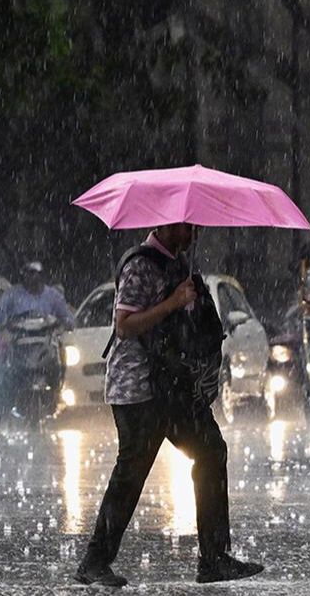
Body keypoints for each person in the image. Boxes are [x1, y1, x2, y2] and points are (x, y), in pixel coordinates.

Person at [74, 223, 264, 586]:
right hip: (138, 388)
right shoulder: (140, 266)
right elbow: (126, 325)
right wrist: (174, 302)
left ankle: (214, 558)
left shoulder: (178, 264)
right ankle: (94, 562)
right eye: (188, 225)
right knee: (131, 473)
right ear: (165, 224)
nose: (196, 231)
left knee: (210, 451)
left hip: (172, 386)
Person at [0, 261, 75, 329]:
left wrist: (59, 322)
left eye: (32, 273)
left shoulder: (54, 296)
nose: (28, 276)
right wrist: (0, 324)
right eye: (26, 273)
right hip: (17, 341)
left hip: (47, 342)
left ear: (41, 275)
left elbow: (69, 320)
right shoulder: (12, 293)